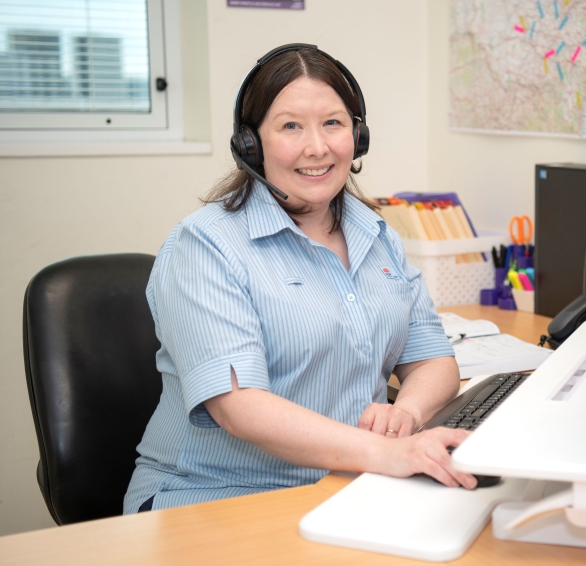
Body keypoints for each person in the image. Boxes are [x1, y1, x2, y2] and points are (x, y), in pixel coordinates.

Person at [123, 45, 476, 514]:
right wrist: (385, 453)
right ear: (251, 144)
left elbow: (433, 359)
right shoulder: (204, 246)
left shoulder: (377, 234)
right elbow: (239, 408)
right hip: (214, 496)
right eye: (291, 126)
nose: (318, 147)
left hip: (347, 486)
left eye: (333, 123)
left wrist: (406, 414)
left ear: (358, 135)